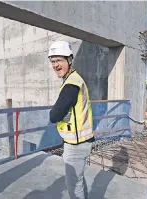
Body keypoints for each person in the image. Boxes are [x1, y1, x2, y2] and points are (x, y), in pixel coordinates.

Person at [48, 41, 95, 199]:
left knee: (73, 186)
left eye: (59, 60)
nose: (55, 65)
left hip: (77, 143)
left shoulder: (71, 85)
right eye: (53, 61)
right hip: (82, 140)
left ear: (69, 60)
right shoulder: (74, 80)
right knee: (78, 181)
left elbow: (54, 116)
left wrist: (57, 110)